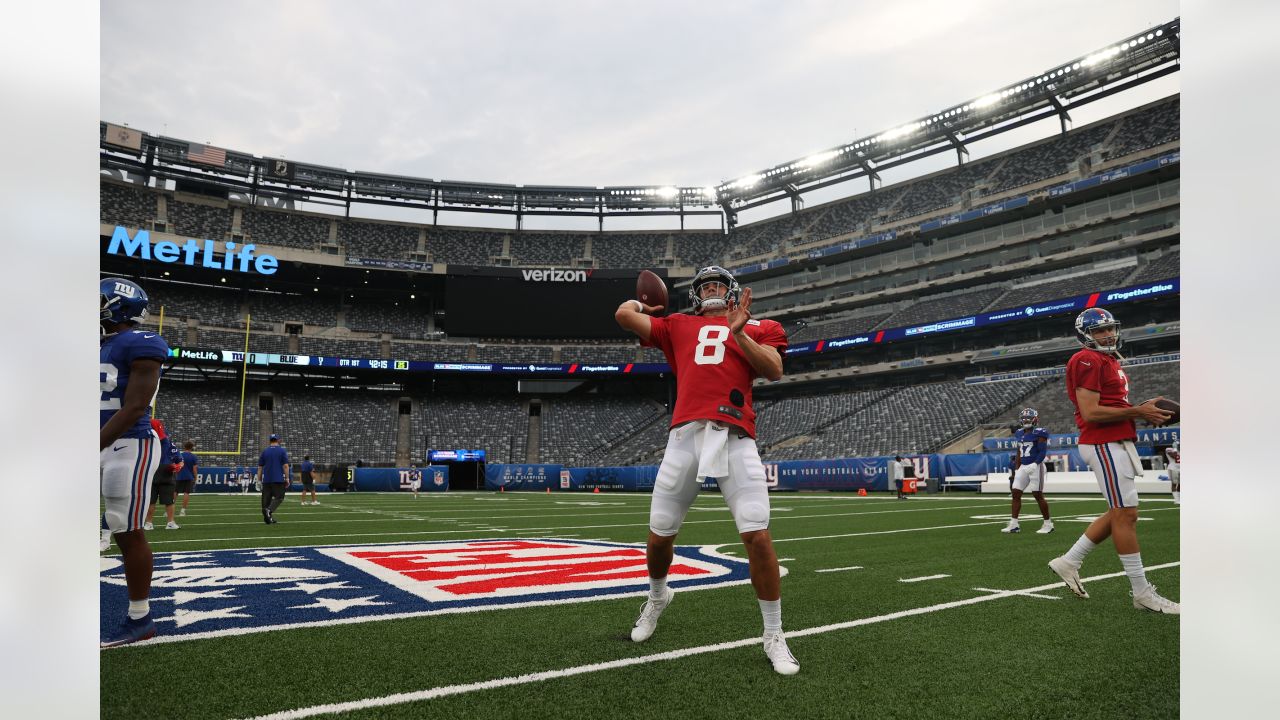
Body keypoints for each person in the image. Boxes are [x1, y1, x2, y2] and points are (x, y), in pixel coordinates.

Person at [614, 265, 800, 675]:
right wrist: (643, 303)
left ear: (732, 292)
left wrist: (738, 332)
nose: (711, 290)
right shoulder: (676, 324)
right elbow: (624, 316)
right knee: (660, 533)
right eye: (704, 286)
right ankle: (658, 596)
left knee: (757, 533)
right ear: (696, 296)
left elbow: (774, 369)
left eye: (718, 284)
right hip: (685, 438)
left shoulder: (759, 325)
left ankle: (773, 633)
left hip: (735, 436)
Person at [1048, 307, 1178, 614]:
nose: (1107, 335)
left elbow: (1111, 405)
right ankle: (1141, 593)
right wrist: (1138, 411)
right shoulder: (1087, 359)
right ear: (1085, 335)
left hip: (1115, 441)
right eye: (1098, 331)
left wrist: (1141, 409)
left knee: (1121, 512)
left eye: (1109, 329)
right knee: (1126, 515)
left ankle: (1069, 561)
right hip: (1103, 443)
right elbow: (1091, 412)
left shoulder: (1107, 359)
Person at [99, 277, 169, 647]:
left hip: (130, 443)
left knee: (126, 530)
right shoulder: (96, 346)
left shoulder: (140, 342)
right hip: (97, 442)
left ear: (118, 305)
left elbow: (136, 406)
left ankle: (140, 617)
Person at [1002, 408, 1054, 534]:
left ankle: (1048, 524)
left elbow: (1042, 452)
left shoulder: (1040, 432)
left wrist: (1035, 464)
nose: (1026, 421)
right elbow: (1019, 452)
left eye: (1028, 419)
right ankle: (1014, 524)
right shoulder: (1019, 433)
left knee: (1037, 494)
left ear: (1035, 419)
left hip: (1037, 466)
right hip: (1023, 466)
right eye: (1024, 419)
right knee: (1015, 492)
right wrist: (1016, 468)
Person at [142, 419, 183, 531]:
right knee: (168, 501)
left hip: (152, 470)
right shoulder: (168, 442)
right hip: (165, 470)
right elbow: (179, 460)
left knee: (151, 500)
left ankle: (148, 523)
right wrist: (178, 466)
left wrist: (178, 465)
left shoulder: (144, 441)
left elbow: (180, 461)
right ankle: (170, 522)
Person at [257, 434, 291, 524]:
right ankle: (269, 511)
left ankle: (268, 518)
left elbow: (260, 467)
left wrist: (259, 480)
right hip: (278, 479)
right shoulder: (281, 451)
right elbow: (286, 466)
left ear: (270, 440)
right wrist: (287, 478)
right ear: (278, 440)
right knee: (279, 497)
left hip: (267, 480)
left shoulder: (265, 451)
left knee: (266, 501)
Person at [176, 440, 198, 516]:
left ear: (184, 447)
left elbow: (176, 466)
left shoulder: (180, 455)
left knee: (175, 492)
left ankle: (168, 510)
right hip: (189, 477)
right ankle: (183, 511)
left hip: (179, 476)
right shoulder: (193, 456)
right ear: (192, 448)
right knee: (186, 493)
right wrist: (195, 477)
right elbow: (194, 468)